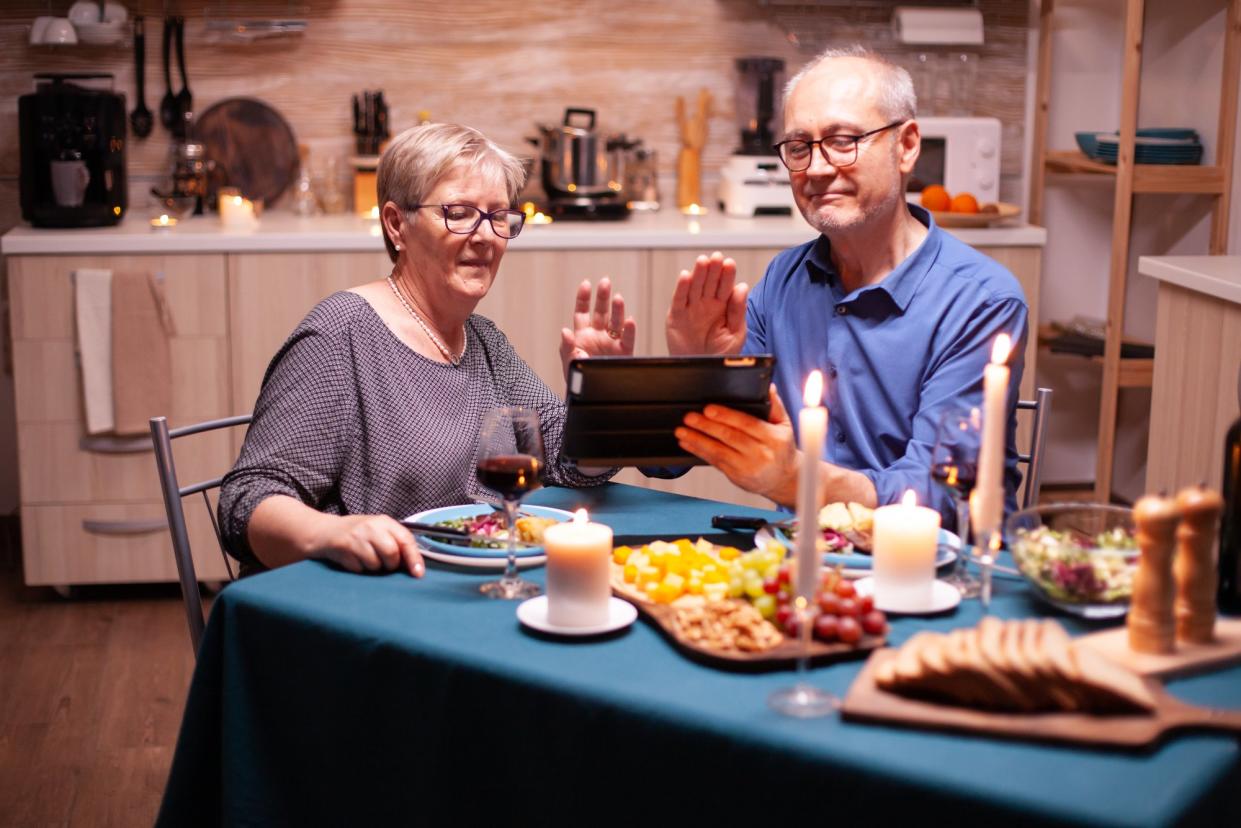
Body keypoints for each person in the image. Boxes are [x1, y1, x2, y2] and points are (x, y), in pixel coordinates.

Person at [219, 123, 634, 577]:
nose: (486, 236)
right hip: (370, 600)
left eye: (498, 216)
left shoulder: (482, 340)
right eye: (459, 213)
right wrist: (328, 533)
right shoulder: (340, 337)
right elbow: (246, 501)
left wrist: (601, 397)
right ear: (397, 224)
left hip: (473, 583)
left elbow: (560, 458)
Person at [665, 46, 1028, 527]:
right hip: (810, 562)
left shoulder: (980, 301)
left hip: (952, 571)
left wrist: (799, 481)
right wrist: (693, 372)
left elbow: (941, 494)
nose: (816, 168)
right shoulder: (782, 281)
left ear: (907, 145)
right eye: (799, 147)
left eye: (842, 140)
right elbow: (679, 455)